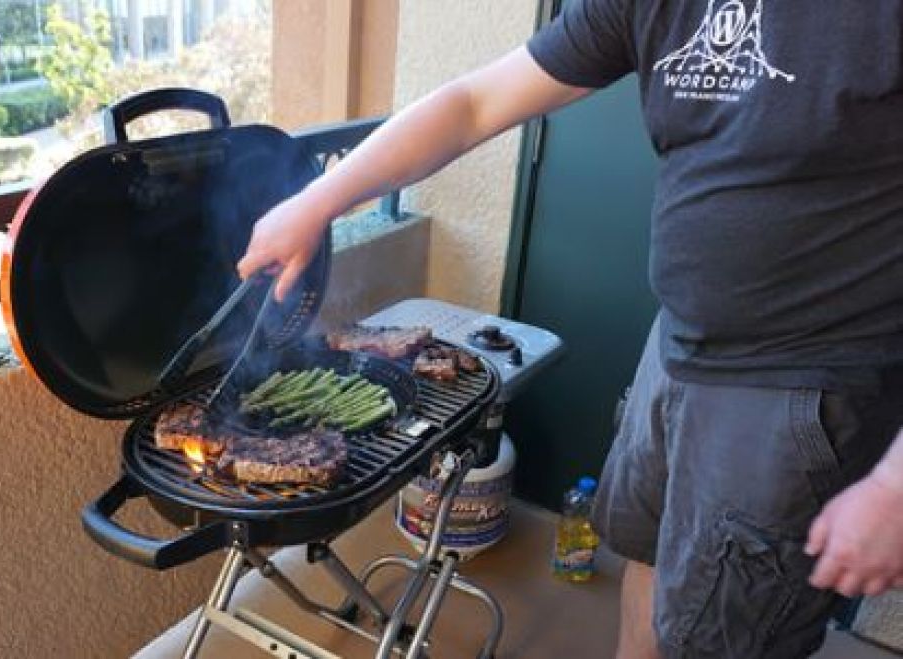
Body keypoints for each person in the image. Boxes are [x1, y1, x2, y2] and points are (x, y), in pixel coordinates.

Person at [236, 1, 903, 657]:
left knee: (724, 634)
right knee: (642, 551)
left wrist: (896, 485)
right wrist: (320, 200)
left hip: (803, 387)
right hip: (676, 342)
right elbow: (474, 103)